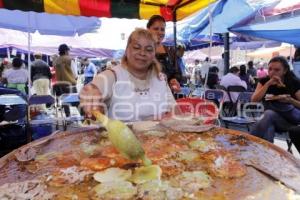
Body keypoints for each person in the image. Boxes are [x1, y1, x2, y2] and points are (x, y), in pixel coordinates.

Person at [80, 28, 176, 122]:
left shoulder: (160, 79)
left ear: (154, 54)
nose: (142, 53)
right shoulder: (113, 75)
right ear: (127, 51)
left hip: (159, 137)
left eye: (149, 49)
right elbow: (97, 85)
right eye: (136, 48)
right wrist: (91, 91)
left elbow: (174, 111)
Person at [251, 56, 300, 143]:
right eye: (270, 69)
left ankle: (248, 143)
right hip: (269, 118)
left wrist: (290, 100)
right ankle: (266, 154)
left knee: (267, 115)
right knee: (268, 126)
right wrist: (267, 84)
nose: (272, 72)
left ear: (285, 71)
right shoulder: (264, 81)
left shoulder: (293, 82)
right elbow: (254, 100)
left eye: (277, 70)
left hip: (290, 121)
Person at [146, 15, 181, 93]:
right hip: (147, 95)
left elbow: (177, 73)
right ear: (148, 30)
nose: (160, 32)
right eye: (156, 29)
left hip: (167, 96)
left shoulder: (170, 51)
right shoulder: (143, 50)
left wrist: (174, 80)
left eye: (162, 29)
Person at [54, 44, 77, 117]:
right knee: (76, 100)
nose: (68, 52)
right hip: (70, 83)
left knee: (64, 101)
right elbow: (75, 73)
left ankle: (68, 116)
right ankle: (81, 117)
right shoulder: (69, 59)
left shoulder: (56, 61)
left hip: (60, 84)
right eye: (68, 50)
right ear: (65, 51)